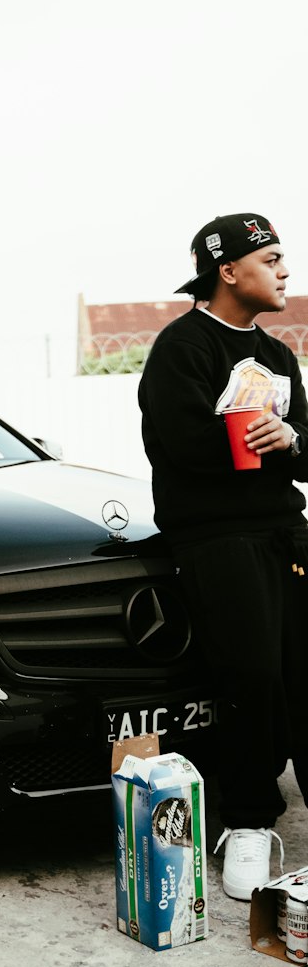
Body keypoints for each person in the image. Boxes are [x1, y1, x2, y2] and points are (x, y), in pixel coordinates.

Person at [138, 213, 308, 900]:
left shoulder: (279, 355)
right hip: (214, 535)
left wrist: (290, 439)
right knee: (249, 674)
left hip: (285, 531)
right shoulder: (182, 346)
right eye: (271, 258)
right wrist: (247, 435)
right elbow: (174, 445)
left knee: (302, 672)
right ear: (228, 270)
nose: (285, 271)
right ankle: (244, 820)